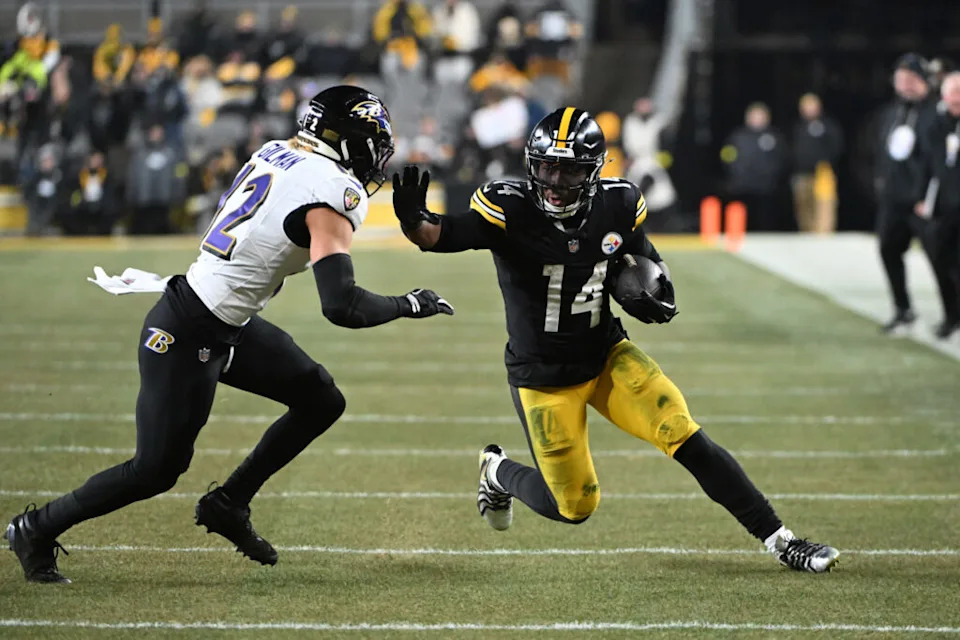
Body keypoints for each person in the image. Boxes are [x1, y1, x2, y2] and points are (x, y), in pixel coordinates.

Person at [6, 86, 454, 584]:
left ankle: (229, 502)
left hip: (222, 320)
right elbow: (341, 305)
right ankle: (35, 528)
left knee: (321, 399)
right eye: (373, 142)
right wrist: (408, 304)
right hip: (187, 329)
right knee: (156, 469)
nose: (378, 156)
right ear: (348, 141)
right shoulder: (334, 192)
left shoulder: (277, 151)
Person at [393, 107, 840, 573]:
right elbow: (438, 236)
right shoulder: (509, 206)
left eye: (569, 170)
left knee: (683, 432)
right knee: (574, 506)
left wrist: (655, 290)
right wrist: (413, 220)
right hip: (542, 376)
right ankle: (497, 471)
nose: (554, 181)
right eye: (547, 167)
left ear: (593, 171)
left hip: (607, 355)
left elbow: (645, 258)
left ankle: (782, 540)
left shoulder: (619, 203)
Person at [875, 53, 939, 334]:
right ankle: (903, 309)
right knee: (888, 249)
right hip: (894, 200)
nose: (906, 85)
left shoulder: (937, 114)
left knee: (941, 258)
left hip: (924, 201)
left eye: (912, 79)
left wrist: (929, 195)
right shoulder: (892, 113)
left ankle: (954, 312)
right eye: (901, 80)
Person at [915, 71, 960, 339]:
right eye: (951, 91)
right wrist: (920, 196)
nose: (955, 98)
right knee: (940, 261)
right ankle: (950, 315)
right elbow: (924, 163)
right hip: (942, 206)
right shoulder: (935, 122)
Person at [720, 102, 788, 231]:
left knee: (765, 219)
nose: (757, 119)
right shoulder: (738, 136)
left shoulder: (774, 137)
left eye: (760, 116)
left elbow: (781, 158)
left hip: (765, 187)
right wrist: (735, 172)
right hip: (742, 186)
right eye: (754, 116)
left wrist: (772, 175)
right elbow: (726, 155)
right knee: (742, 218)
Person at [791, 93, 843, 233]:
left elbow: (836, 146)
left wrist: (828, 162)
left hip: (822, 171)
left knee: (825, 202)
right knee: (803, 204)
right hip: (802, 173)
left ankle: (824, 232)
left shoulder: (827, 126)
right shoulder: (798, 127)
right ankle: (807, 231)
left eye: (812, 105)